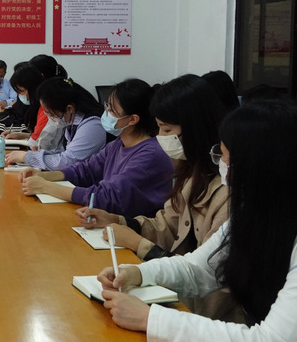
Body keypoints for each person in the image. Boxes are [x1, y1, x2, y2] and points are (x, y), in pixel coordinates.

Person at [97, 100, 297, 340]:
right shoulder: (255, 210)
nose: (223, 167)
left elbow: (272, 338)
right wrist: (137, 273)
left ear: (266, 167)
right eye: (221, 156)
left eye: (229, 160)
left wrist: (150, 319)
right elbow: (198, 269)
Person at [77, 75, 238, 321]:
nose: (161, 136)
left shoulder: (227, 193)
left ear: (195, 128)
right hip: (178, 300)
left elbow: (207, 276)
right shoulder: (192, 173)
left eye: (167, 130)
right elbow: (166, 224)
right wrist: (119, 221)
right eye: (159, 128)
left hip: (204, 316)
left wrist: (139, 245)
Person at [20, 78, 174, 217]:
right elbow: (85, 170)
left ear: (132, 119)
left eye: (112, 111)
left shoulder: (150, 155)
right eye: (107, 107)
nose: (106, 113)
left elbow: (105, 197)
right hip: (109, 220)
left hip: (134, 229)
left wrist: (45, 187)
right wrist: (44, 176)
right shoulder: (118, 144)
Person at [6, 77, 106, 169]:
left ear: (69, 109)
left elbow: (67, 162)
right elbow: (63, 152)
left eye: (51, 113)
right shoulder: (71, 122)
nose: (50, 118)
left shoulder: (93, 126)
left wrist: (26, 157)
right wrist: (40, 154)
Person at [0, 63, 45, 145]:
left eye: (21, 91)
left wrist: (21, 135)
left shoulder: (45, 108)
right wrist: (21, 135)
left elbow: (42, 140)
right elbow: (37, 135)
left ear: (32, 88)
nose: (20, 95)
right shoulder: (33, 105)